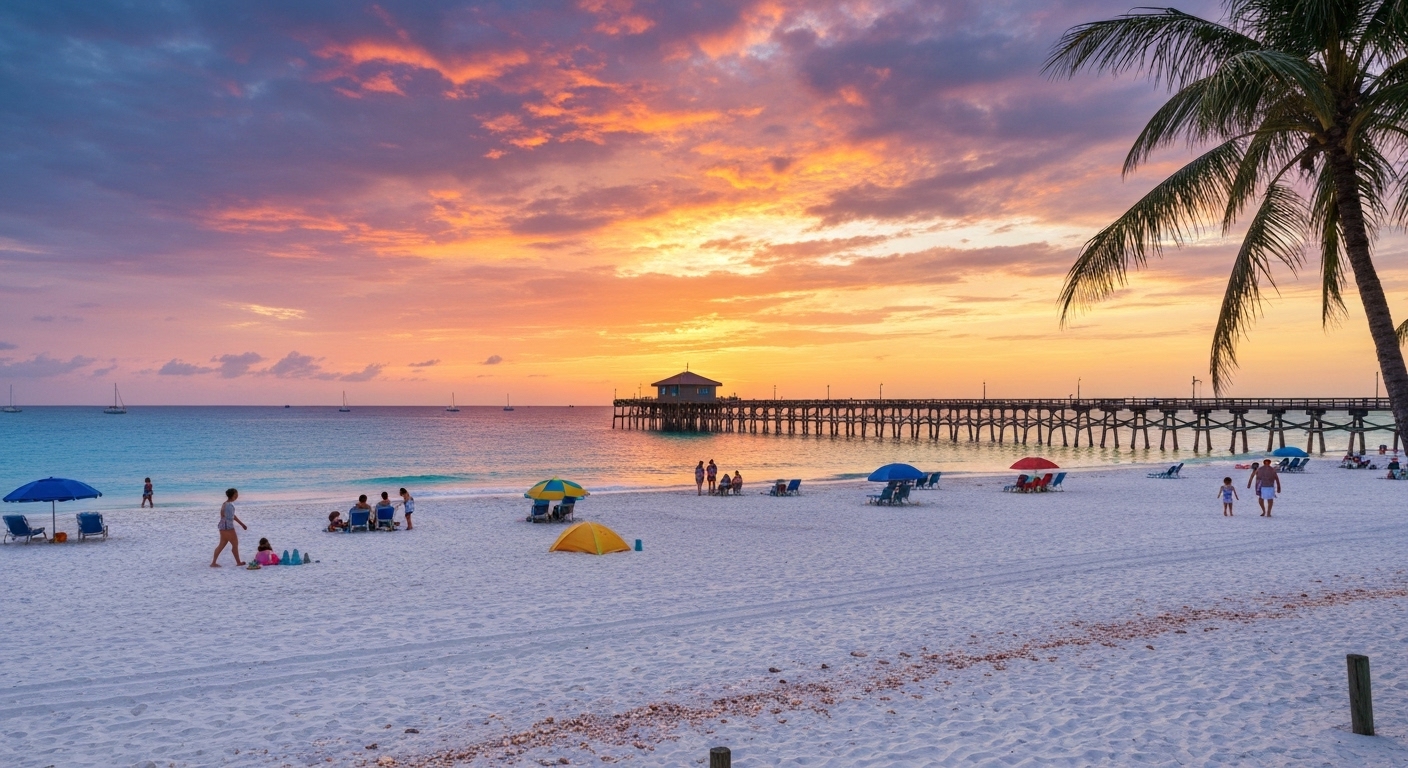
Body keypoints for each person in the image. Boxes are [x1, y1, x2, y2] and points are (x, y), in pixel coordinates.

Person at [211, 488, 247, 567]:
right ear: (233, 495)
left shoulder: (225, 503)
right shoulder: (229, 505)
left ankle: (213, 562)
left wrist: (242, 524)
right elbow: (230, 517)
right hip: (228, 528)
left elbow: (229, 516)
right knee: (235, 544)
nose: (237, 496)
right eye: (236, 494)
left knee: (221, 545)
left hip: (222, 527)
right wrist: (241, 524)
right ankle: (238, 562)